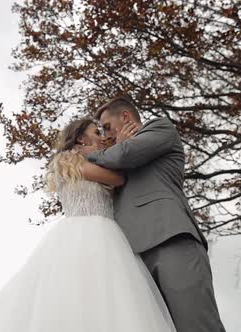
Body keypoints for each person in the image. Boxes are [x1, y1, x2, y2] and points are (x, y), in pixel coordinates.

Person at [0, 118, 177, 332]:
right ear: (80, 138)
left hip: (108, 238)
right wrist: (121, 146)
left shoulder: (96, 160)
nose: (102, 137)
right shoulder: (67, 160)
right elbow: (118, 179)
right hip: (80, 235)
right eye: (96, 132)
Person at [76, 95, 226, 332]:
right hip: (130, 257)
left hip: (170, 239)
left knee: (195, 324)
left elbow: (125, 156)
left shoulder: (160, 128)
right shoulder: (110, 160)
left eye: (107, 128)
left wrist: (86, 154)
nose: (105, 137)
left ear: (125, 117)